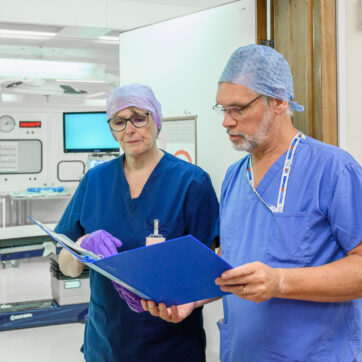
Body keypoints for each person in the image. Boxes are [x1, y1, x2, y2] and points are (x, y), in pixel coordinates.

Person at [143, 45, 362, 361]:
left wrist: (280, 281)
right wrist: (190, 299)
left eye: (238, 109)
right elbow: (232, 264)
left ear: (278, 100)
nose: (226, 122)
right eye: (223, 109)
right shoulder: (235, 176)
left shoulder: (333, 169)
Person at [56, 83, 219, 362]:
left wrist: (178, 299)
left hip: (171, 345)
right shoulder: (94, 182)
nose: (129, 129)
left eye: (139, 118)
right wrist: (81, 248)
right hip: (106, 342)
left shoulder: (192, 183)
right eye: (119, 121)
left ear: (156, 120)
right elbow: (65, 266)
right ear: (111, 129)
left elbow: (213, 274)